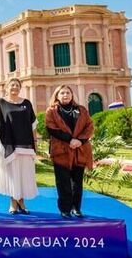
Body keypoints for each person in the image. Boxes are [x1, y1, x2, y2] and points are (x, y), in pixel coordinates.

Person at [0, 78, 38, 214]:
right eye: (12, 85)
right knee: (13, 174)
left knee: (23, 173)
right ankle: (13, 202)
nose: (15, 87)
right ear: (6, 87)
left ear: (20, 87)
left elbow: (33, 124)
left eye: (17, 85)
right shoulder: (0, 103)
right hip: (9, 144)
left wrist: (35, 142)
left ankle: (22, 201)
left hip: (26, 144)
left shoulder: (27, 103)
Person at [45, 85, 94, 218]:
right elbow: (51, 128)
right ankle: (65, 209)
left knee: (77, 183)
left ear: (72, 95)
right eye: (62, 93)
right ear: (57, 96)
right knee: (63, 182)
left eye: (68, 93)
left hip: (80, 151)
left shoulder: (81, 110)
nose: (65, 95)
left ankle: (76, 208)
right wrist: (70, 140)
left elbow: (89, 127)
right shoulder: (51, 111)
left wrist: (80, 140)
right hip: (61, 152)